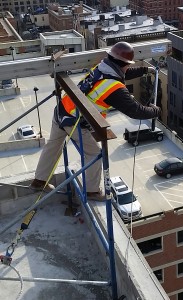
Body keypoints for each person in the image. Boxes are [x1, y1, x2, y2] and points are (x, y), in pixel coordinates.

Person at [30, 41, 161, 200]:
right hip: (75, 121)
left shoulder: (102, 67)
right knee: (94, 154)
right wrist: (156, 110)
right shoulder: (114, 89)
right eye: (128, 65)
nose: (127, 69)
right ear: (123, 64)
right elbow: (136, 111)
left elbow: (124, 72)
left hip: (62, 110)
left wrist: (145, 70)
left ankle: (39, 180)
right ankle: (92, 191)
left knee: (53, 145)